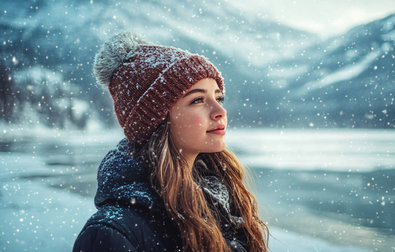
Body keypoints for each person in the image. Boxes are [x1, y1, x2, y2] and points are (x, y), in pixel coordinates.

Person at [73, 32, 269, 252]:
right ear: (157, 121)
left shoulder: (222, 201)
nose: (220, 111)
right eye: (198, 100)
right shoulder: (112, 232)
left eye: (218, 97)